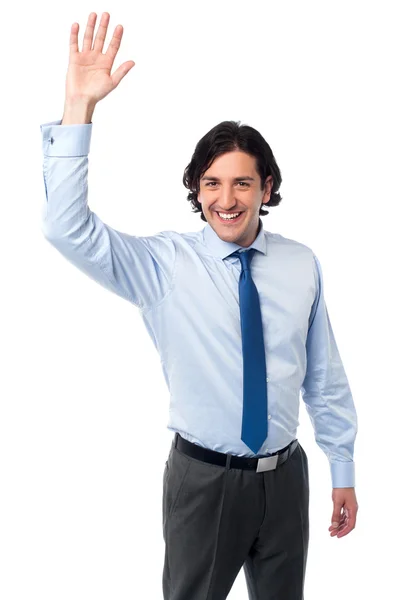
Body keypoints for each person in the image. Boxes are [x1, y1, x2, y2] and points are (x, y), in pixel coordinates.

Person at [39, 11, 359, 600]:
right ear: (196, 190)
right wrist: (79, 109)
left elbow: (324, 374)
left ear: (267, 188)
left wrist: (342, 467)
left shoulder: (301, 264)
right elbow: (66, 230)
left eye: (241, 183)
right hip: (205, 480)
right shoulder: (164, 265)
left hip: (287, 479)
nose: (226, 199)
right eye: (211, 183)